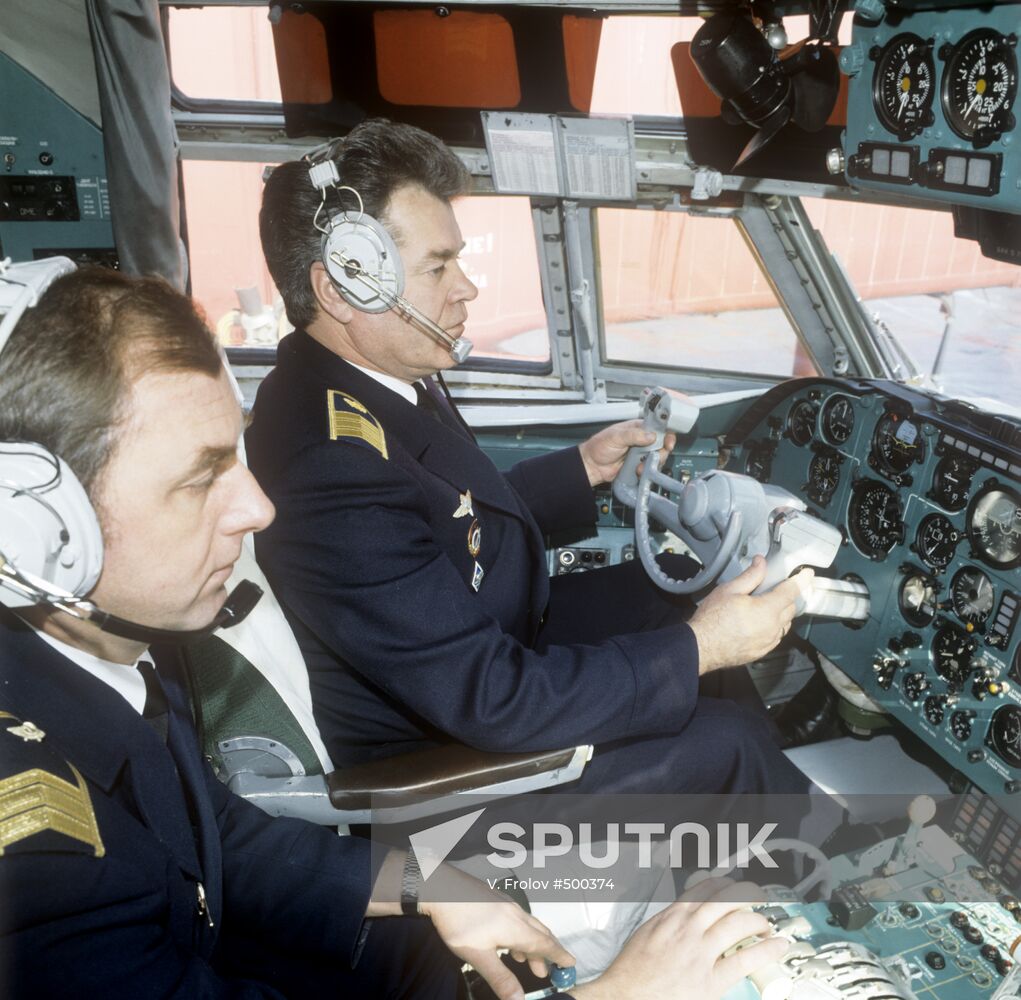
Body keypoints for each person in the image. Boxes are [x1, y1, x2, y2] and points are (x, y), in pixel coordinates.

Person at [0, 267, 790, 1000]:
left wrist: (420, 880)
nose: (257, 509)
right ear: (37, 532)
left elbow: (223, 838)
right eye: (201, 477)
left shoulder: (103, 649)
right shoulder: (35, 866)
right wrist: (616, 994)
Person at [247, 119, 812, 798]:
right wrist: (703, 648)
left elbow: (444, 522)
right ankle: (818, 869)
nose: (466, 289)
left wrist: (581, 468)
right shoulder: (329, 463)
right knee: (729, 740)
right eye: (437, 266)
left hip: (479, 649)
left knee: (675, 591)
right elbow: (494, 701)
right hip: (442, 764)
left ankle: (758, 815)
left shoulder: (366, 377)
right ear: (342, 289)